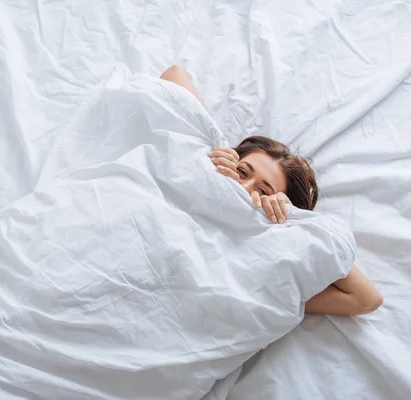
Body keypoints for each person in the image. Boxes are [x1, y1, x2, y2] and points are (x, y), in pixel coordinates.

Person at [160, 65, 383, 315]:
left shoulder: (263, 257)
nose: (243, 188)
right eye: (242, 172)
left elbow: (366, 299)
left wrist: (293, 221)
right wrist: (209, 149)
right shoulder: (208, 163)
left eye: (264, 192)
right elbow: (174, 74)